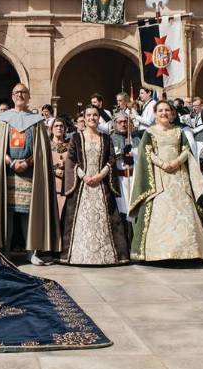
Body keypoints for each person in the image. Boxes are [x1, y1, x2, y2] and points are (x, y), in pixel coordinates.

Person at [0, 83, 60, 265]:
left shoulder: (36, 121)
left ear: (28, 97)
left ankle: (31, 252)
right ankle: (5, 250)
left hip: (30, 174)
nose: (20, 95)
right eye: (17, 92)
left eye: (23, 92)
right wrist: (11, 162)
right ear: (12, 96)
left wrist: (26, 162)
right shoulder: (3, 121)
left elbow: (40, 151)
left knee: (29, 213)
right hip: (7, 174)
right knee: (7, 212)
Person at [129, 100, 203, 261]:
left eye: (167, 110)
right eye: (161, 111)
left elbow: (186, 149)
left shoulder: (179, 131)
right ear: (155, 114)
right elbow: (147, 152)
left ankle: (189, 253)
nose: (164, 113)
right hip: (158, 178)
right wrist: (163, 164)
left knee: (184, 211)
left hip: (179, 176)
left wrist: (176, 162)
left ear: (172, 113)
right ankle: (157, 253)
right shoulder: (149, 132)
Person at [61, 106, 129, 265]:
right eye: (89, 115)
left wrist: (100, 175)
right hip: (82, 185)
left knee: (108, 218)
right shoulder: (76, 138)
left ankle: (109, 256)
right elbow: (71, 160)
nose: (92, 118)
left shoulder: (106, 138)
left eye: (95, 115)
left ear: (99, 117)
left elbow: (111, 160)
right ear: (84, 118)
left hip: (101, 184)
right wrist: (84, 176)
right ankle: (77, 255)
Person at [110, 112, 137, 223]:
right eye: (120, 122)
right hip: (119, 180)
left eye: (125, 121)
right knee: (122, 212)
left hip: (134, 178)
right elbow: (108, 158)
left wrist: (134, 155)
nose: (123, 124)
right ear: (115, 124)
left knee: (134, 211)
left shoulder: (135, 138)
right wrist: (121, 155)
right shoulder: (110, 139)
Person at [49, 119, 69, 219]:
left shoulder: (70, 146)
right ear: (51, 129)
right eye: (56, 126)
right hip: (51, 185)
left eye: (61, 126)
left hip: (66, 186)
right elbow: (42, 166)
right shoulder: (46, 146)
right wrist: (54, 171)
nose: (59, 128)